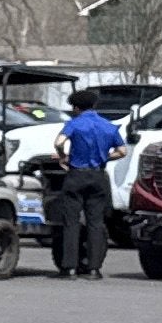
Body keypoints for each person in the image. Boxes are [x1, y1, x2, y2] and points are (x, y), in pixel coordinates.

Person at [51, 97, 122, 276]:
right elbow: (122, 151)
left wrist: (63, 157)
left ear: (76, 107)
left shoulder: (74, 124)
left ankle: (70, 267)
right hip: (98, 175)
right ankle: (94, 268)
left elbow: (59, 142)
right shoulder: (108, 125)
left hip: (76, 175)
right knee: (96, 223)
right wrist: (105, 157)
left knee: (71, 222)